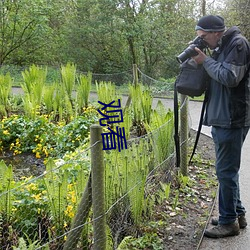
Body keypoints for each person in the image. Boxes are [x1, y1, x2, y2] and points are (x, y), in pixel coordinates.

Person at [192, 15, 250, 238]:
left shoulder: (238, 44)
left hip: (232, 118)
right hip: (222, 117)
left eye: (204, 37)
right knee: (227, 171)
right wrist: (202, 60)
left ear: (216, 32)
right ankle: (237, 214)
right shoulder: (221, 46)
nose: (203, 41)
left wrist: (205, 61)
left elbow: (229, 77)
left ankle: (228, 223)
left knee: (225, 171)